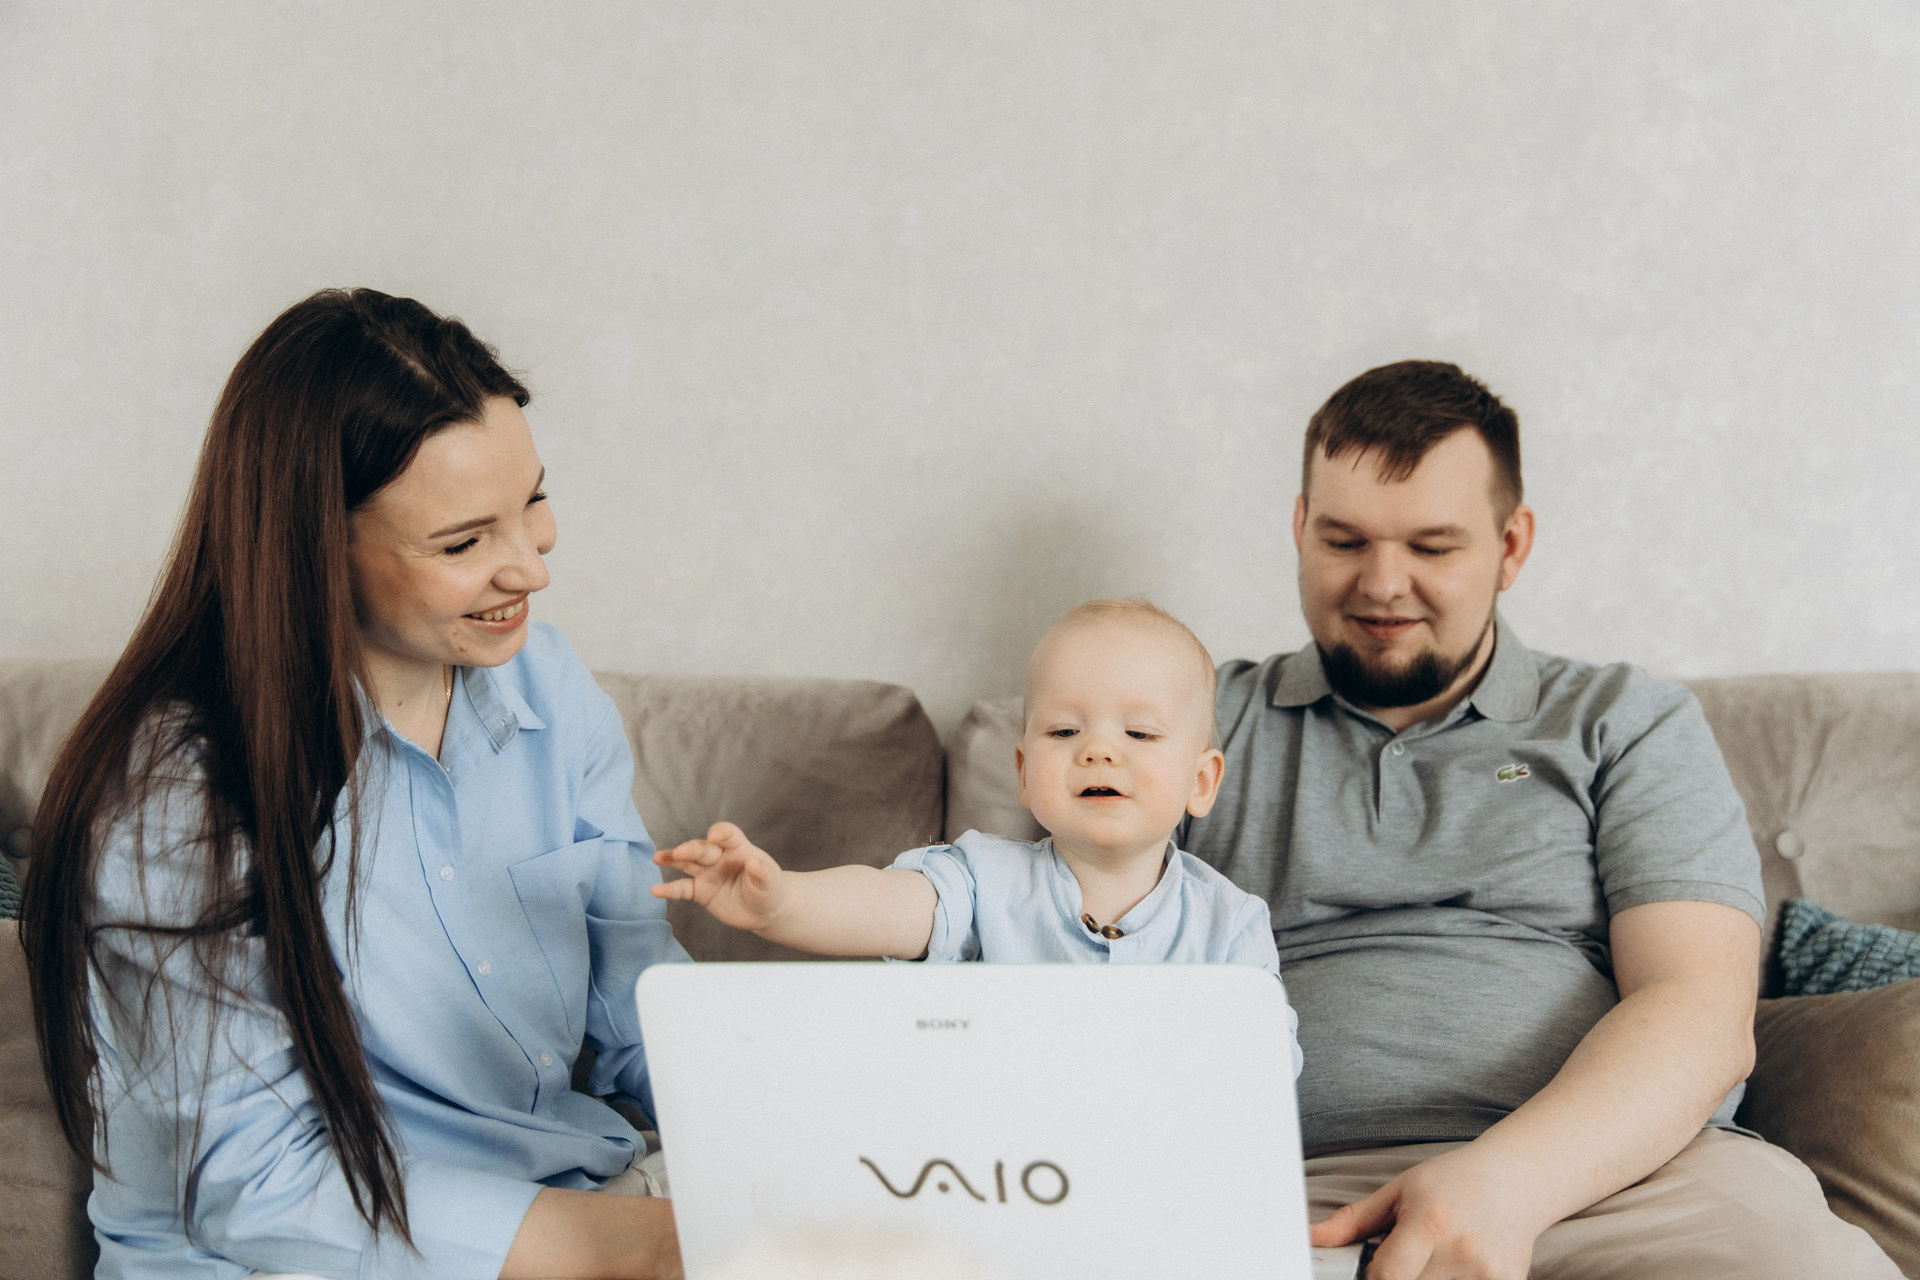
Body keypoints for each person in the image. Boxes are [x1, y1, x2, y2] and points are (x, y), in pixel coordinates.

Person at [1181, 360, 1900, 1278]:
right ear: (1299, 529)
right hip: (1282, 1185)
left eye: (1432, 546)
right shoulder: (1190, 717)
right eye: (1344, 540)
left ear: (1510, 545)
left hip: (1626, 1177)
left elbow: (1698, 1006)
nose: (1382, 584)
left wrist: (1505, 1185)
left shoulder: (1624, 720)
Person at [22, 290, 688, 1279]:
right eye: (464, 543)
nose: (530, 569)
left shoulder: (551, 689)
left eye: (533, 503)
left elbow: (647, 1009)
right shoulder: (175, 793)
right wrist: (649, 1248)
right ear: (315, 550)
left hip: (570, 1203)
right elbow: (255, 1185)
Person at [657, 600, 1301, 1075]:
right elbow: (888, 905)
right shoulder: (981, 880)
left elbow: (1265, 1069)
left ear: (1201, 781)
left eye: (1139, 733)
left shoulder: (1230, 926)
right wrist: (784, 902)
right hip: (998, 1166)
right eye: (1064, 731)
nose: (1099, 750)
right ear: (1023, 773)